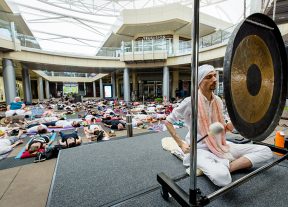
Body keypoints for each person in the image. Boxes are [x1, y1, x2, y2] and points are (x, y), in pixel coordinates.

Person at [165, 64, 273, 187]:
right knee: (223, 179)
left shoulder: (218, 101)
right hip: (200, 149)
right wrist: (181, 143)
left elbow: (223, 125)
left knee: (266, 151)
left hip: (220, 145)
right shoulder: (190, 102)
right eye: (209, 77)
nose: (215, 79)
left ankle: (227, 165)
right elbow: (168, 121)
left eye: (215, 76)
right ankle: (226, 164)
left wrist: (231, 125)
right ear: (200, 81)